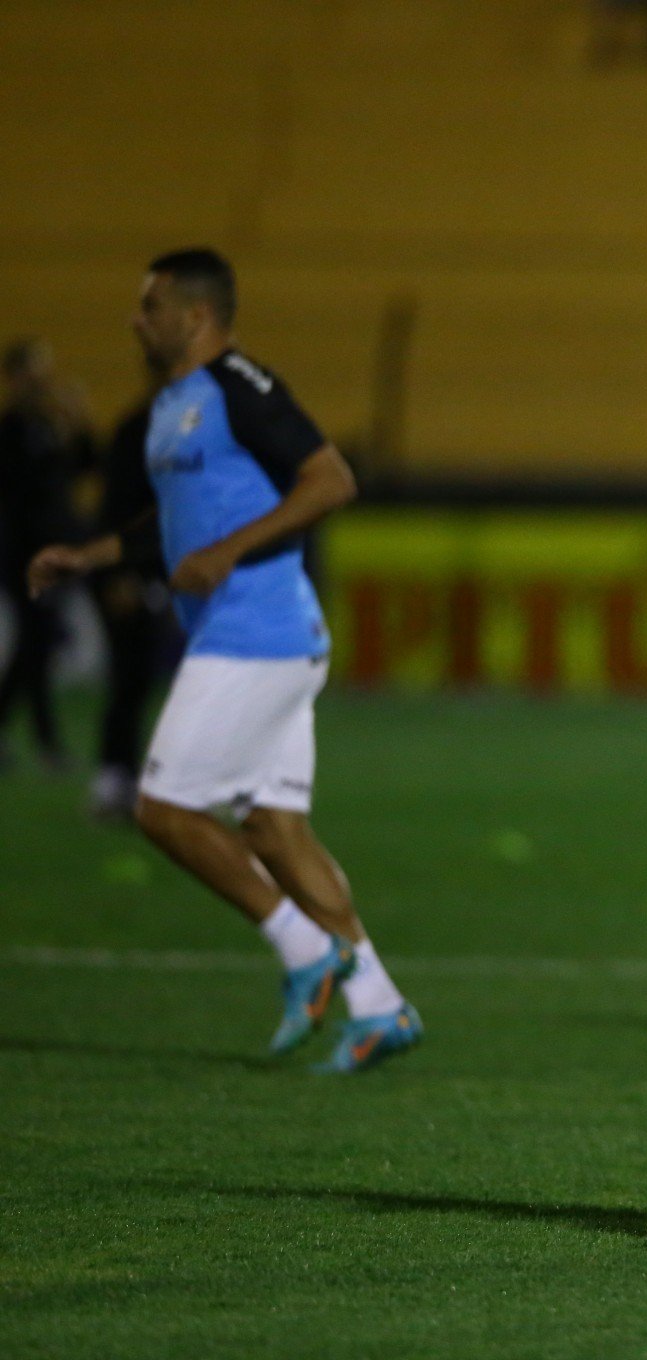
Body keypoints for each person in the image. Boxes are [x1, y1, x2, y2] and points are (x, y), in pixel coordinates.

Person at [28, 247, 420, 1072]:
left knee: (162, 808)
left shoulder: (241, 386)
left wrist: (228, 551)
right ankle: (379, 1004)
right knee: (273, 829)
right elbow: (171, 529)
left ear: (196, 315)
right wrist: (90, 555)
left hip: (259, 631)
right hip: (255, 635)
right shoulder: (174, 406)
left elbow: (330, 481)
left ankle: (302, 947)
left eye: (151, 306)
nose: (138, 320)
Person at [86, 386, 176, 820]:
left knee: (170, 681)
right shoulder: (138, 428)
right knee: (130, 677)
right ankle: (114, 777)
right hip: (136, 570)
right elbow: (115, 506)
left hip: (178, 572)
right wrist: (117, 573)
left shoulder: (201, 424)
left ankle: (168, 781)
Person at [0, 338, 79, 772]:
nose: (44, 379)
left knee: (35, 644)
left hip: (54, 552)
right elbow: (26, 491)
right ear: (15, 377)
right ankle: (48, 744)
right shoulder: (11, 429)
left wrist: (76, 423)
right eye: (36, 370)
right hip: (25, 554)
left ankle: (40, 741)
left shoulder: (49, 425)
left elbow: (86, 465)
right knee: (36, 643)